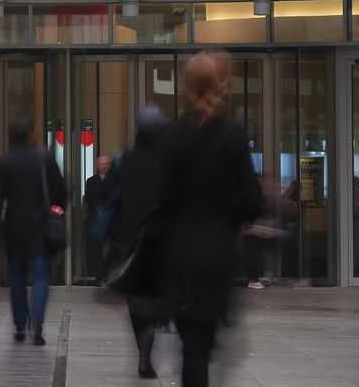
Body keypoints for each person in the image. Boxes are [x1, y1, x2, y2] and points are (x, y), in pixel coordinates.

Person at [157, 52, 262, 387]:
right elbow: (252, 200)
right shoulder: (231, 135)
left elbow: (159, 197)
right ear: (221, 85)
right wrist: (228, 214)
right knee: (201, 342)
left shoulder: (172, 135)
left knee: (191, 346)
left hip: (177, 256)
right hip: (216, 256)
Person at [101, 106, 168, 379]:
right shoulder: (169, 162)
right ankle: (145, 355)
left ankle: (143, 351)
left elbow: (105, 197)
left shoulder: (122, 162)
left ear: (137, 131)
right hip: (160, 241)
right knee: (154, 297)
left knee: (137, 301)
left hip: (127, 243)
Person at [0, 119, 65, 345]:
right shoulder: (45, 159)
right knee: (41, 277)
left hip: (15, 228)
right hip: (41, 226)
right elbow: (60, 187)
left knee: (17, 277)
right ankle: (37, 326)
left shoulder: (4, 163)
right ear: (31, 134)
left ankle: (20, 326)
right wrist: (56, 208)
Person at [84, 155, 112, 284]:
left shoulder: (116, 181)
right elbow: (90, 198)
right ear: (98, 165)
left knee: (111, 249)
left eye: (107, 164)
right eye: (102, 164)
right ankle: (99, 277)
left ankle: (111, 276)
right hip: (96, 220)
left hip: (112, 220)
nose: (105, 166)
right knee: (96, 250)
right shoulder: (91, 181)